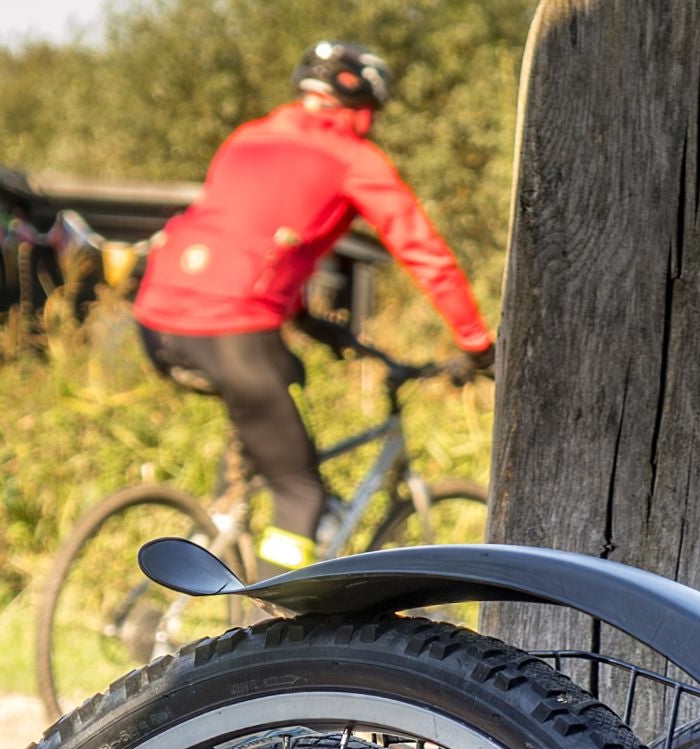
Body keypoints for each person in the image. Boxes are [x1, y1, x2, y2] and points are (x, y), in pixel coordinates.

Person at [132, 41, 495, 562]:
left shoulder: (247, 136)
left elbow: (251, 230)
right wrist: (477, 343)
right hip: (231, 328)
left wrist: (305, 318)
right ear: (363, 108)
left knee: (282, 377)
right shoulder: (353, 158)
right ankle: (275, 630)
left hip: (156, 317)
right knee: (300, 493)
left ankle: (226, 515)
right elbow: (424, 252)